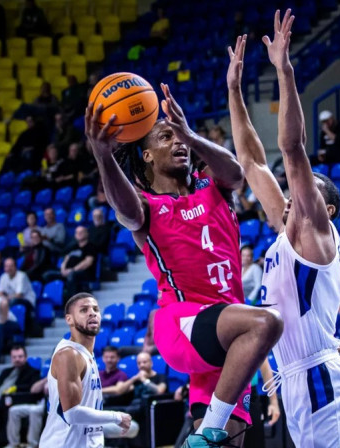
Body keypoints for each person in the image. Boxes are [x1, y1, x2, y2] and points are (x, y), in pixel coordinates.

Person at [87, 38, 283, 447]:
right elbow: (124, 210)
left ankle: (208, 429)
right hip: (183, 323)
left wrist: (189, 134)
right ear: (145, 156)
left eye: (177, 136)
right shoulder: (147, 205)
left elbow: (236, 172)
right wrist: (103, 155)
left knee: (227, 443)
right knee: (268, 322)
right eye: (164, 138)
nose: (176, 142)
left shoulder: (214, 188)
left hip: (226, 336)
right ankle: (210, 426)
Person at [228, 15, 340, 447]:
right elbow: (252, 163)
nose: (294, 191)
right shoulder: (287, 226)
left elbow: (290, 149)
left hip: (322, 376)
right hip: (294, 378)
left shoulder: (316, 234)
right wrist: (234, 91)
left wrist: (284, 71)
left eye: (307, 189)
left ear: (326, 209)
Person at [39, 293, 135, 446]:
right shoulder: (68, 354)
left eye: (96, 309)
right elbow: (72, 413)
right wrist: (117, 417)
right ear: (69, 319)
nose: (92, 313)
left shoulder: (87, 354)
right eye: (84, 310)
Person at [5, 376, 47, 448]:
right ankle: (14, 444)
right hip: (40, 402)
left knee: (34, 411)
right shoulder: (47, 375)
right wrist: (45, 380)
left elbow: (47, 390)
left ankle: (33, 444)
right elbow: (33, 390)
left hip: (51, 404)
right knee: (13, 410)